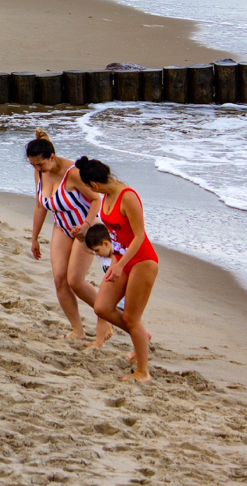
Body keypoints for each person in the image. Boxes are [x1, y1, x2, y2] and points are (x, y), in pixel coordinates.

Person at [75, 156, 159, 383]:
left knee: (132, 318)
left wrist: (120, 264)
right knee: (102, 307)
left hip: (142, 261)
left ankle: (143, 372)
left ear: (94, 185)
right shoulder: (106, 196)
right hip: (121, 260)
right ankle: (142, 335)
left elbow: (140, 236)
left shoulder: (127, 197)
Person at [26, 129, 103, 341]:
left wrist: (86, 226)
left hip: (86, 229)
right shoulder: (39, 172)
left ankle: (107, 317)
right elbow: (40, 205)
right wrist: (34, 238)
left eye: (40, 164)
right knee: (60, 280)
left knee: (75, 281)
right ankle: (78, 330)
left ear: (52, 157)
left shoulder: (74, 173)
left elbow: (96, 200)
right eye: (33, 165)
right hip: (62, 227)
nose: (37, 168)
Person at [84, 223, 124, 349]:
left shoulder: (120, 257)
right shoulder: (103, 256)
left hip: (125, 293)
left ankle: (142, 337)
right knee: (100, 313)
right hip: (111, 292)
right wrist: (80, 238)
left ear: (106, 244)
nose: (96, 253)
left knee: (129, 321)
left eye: (97, 250)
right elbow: (87, 249)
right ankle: (98, 342)